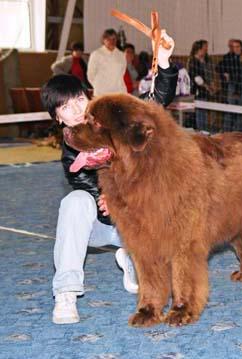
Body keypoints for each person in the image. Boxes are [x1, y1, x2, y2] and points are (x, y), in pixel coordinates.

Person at [40, 31, 178, 325]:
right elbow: (87, 187)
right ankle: (66, 292)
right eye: (65, 107)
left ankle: (130, 256)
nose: (76, 109)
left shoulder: (111, 118)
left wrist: (164, 63)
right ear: (58, 118)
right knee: (75, 202)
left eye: (78, 99)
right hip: (105, 225)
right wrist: (103, 197)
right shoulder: (71, 151)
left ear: (87, 95)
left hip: (141, 217)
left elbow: (153, 105)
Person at [216, 39, 242, 132]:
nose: (236, 49)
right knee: (234, 111)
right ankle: (232, 131)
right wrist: (225, 73)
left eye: (237, 47)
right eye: (234, 47)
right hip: (234, 88)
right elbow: (218, 67)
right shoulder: (230, 58)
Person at [87, 28, 127, 96]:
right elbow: (90, 74)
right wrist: (98, 87)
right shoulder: (96, 54)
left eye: (114, 39)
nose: (111, 41)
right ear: (103, 40)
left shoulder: (121, 55)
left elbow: (122, 72)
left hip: (119, 92)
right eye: (108, 39)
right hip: (101, 93)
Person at [187, 40, 216, 131]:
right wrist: (207, 87)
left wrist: (212, 84)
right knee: (200, 111)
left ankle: (205, 129)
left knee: (206, 111)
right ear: (198, 49)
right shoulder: (193, 61)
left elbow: (210, 74)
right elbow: (197, 78)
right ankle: (201, 130)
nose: (206, 49)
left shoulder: (207, 60)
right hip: (198, 90)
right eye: (204, 48)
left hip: (206, 90)